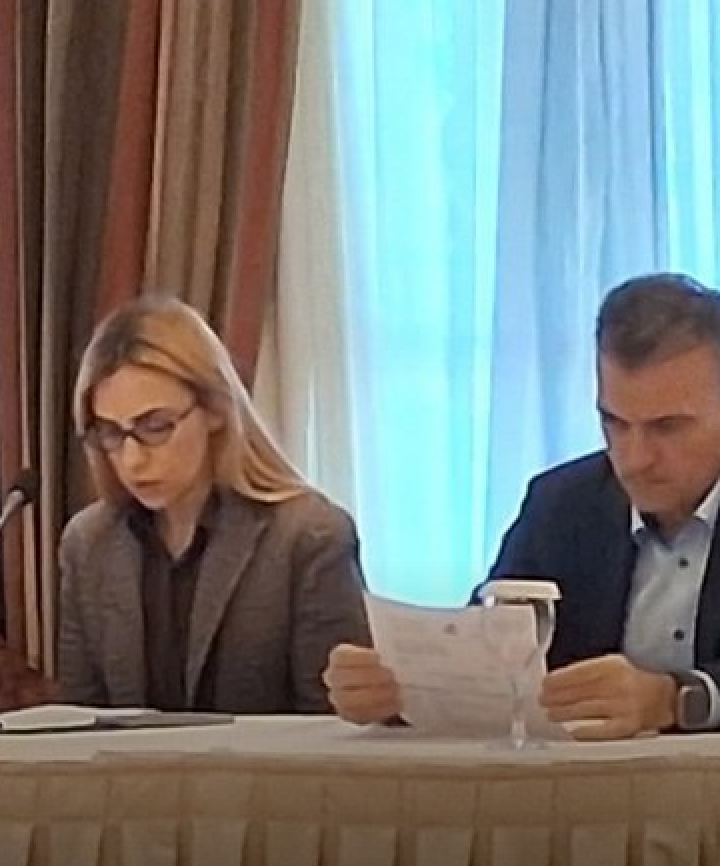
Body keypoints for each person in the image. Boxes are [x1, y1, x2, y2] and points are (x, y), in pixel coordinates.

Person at [325, 272, 720, 739]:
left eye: (667, 428)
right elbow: (489, 654)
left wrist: (674, 699)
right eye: (614, 423)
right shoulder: (563, 504)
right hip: (591, 782)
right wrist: (403, 690)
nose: (634, 459)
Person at [58, 295, 370, 713]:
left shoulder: (308, 536)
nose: (132, 460)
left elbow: (334, 725)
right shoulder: (87, 544)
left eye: (156, 426)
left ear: (215, 411)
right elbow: (81, 722)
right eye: (111, 433)